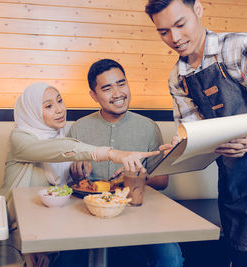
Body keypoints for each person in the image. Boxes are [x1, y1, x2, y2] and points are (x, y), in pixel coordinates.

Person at [145, 1, 247, 266]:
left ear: (198, 9)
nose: (174, 38)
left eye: (180, 24)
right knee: (238, 253)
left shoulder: (242, 47)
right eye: (163, 32)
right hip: (232, 180)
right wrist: (180, 147)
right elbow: (195, 133)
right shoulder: (177, 78)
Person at [0, 82, 161, 267]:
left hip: (52, 231)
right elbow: (59, 150)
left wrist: (79, 173)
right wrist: (113, 154)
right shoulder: (19, 139)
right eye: (49, 106)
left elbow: (60, 190)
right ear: (31, 111)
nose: (59, 110)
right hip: (13, 233)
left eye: (60, 101)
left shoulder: (59, 138)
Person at [68, 58, 184, 267]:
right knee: (64, 260)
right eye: (107, 88)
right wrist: (76, 174)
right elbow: (69, 182)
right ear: (94, 95)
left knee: (171, 258)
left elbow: (162, 181)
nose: (118, 93)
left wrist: (134, 177)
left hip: (139, 212)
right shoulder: (78, 129)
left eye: (122, 84)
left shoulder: (148, 127)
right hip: (90, 214)